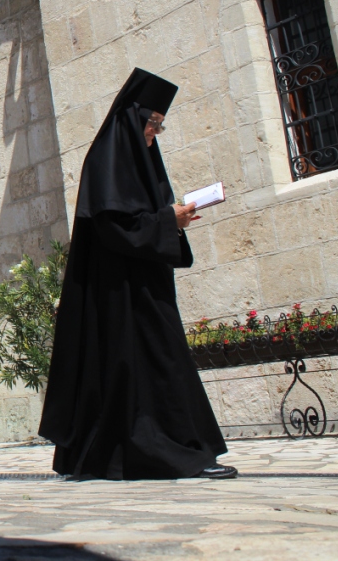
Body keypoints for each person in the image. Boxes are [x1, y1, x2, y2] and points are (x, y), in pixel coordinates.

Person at [38, 68, 235, 481]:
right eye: (153, 123)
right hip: (119, 292)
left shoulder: (139, 159)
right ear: (133, 118)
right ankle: (177, 454)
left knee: (153, 365)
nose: (155, 133)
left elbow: (140, 218)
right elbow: (113, 227)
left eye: (160, 125)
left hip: (145, 285)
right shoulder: (106, 158)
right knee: (153, 364)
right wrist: (167, 221)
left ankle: (166, 451)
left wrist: (172, 219)